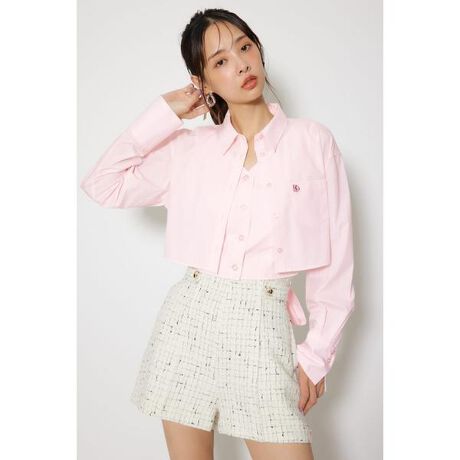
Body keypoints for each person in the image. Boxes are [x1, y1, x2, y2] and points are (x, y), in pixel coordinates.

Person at [80, 8, 356, 460]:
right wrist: (164, 112)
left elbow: (336, 260)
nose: (242, 64)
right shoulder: (189, 150)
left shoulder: (312, 142)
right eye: (221, 60)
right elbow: (102, 184)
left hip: (264, 328)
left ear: (259, 50)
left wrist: (317, 354)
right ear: (202, 81)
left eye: (245, 47)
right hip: (188, 324)